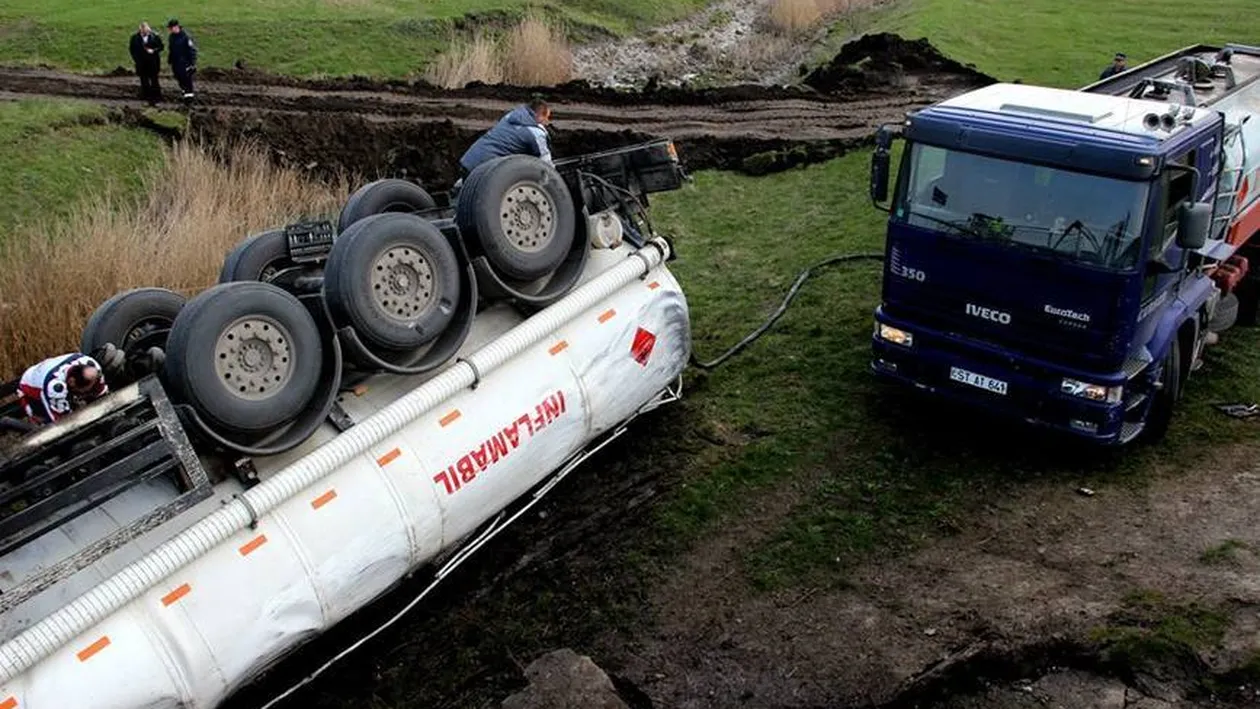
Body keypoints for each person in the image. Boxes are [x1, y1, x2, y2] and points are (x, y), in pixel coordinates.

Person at [457, 98, 553, 182]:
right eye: (547, 117)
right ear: (540, 116)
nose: (547, 122)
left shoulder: (511, 116)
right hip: (483, 171)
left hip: (468, 161)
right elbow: (546, 163)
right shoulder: (536, 133)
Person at [15, 353, 109, 427]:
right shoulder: (55, 388)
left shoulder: (92, 366)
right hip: (30, 390)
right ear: (72, 382)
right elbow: (63, 424)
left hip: (50, 374)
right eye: (83, 391)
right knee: (46, 427)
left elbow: (103, 396)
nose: (85, 393)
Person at [129, 22, 164, 105]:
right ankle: (146, 95)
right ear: (140, 31)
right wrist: (136, 59)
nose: (145, 33)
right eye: (143, 32)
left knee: (154, 79)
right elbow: (132, 49)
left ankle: (157, 95)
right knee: (143, 79)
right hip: (141, 63)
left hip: (153, 62)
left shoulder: (155, 36)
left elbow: (161, 47)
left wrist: (154, 51)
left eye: (147, 31)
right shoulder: (134, 38)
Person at [166, 18, 198, 101]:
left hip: (184, 62)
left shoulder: (186, 37)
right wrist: (170, 59)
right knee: (179, 77)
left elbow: (192, 50)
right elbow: (171, 49)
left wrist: (192, 63)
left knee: (186, 79)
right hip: (175, 62)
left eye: (171, 28)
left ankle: (189, 96)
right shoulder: (171, 37)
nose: (170, 30)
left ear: (176, 27)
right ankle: (185, 92)